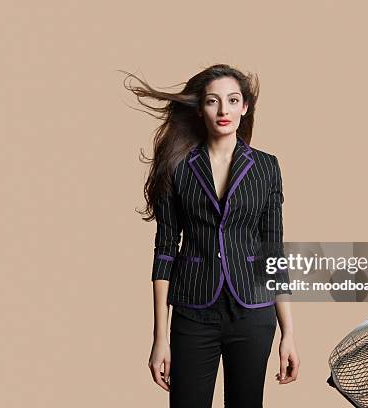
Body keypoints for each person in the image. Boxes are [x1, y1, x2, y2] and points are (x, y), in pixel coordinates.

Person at [125, 64, 299, 407]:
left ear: (245, 107)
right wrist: (160, 337)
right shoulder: (176, 166)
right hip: (193, 309)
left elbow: (272, 249)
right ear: (200, 108)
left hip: (252, 310)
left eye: (233, 100)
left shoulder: (266, 166)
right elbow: (165, 251)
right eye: (212, 101)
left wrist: (288, 332)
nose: (224, 110)